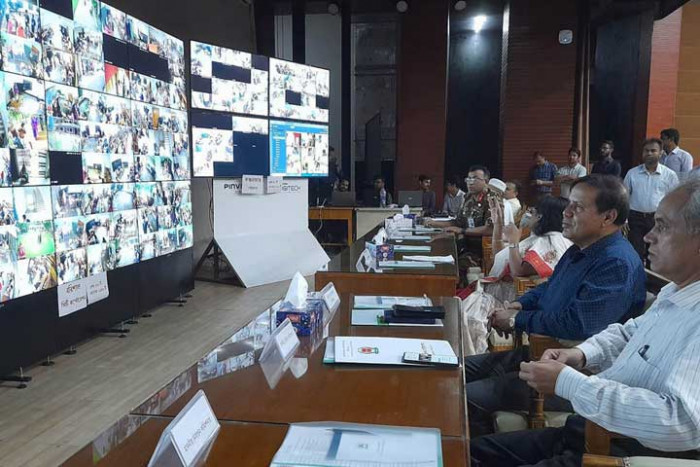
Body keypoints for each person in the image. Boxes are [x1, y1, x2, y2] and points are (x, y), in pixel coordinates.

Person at [471, 178, 700, 466]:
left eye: (663, 226)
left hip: (613, 448)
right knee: (469, 448)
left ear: (608, 217)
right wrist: (581, 354)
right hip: (587, 419)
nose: (648, 236)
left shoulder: (616, 261)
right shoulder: (674, 292)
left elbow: (680, 423)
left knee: (467, 400)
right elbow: (628, 333)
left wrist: (569, 383)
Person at [465, 174, 646, 437]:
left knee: (462, 395)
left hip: (572, 374)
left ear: (608, 217)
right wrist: (518, 305)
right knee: (458, 370)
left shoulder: (615, 263)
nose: (567, 212)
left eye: (578, 207)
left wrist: (517, 320)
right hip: (541, 353)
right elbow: (548, 287)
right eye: (568, 204)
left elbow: (578, 324)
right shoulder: (580, 249)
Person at [463, 197, 573, 353]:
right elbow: (500, 257)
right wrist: (498, 224)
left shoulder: (552, 240)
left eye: (531, 212)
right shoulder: (538, 238)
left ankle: (468, 363)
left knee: (470, 318)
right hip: (500, 293)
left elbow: (518, 271)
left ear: (541, 216)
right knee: (461, 312)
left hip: (512, 299)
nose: (526, 215)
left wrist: (514, 241)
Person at [424, 166, 503, 269]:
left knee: (456, 265)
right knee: (436, 247)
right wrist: (434, 223)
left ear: (486, 181)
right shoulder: (468, 197)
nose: (470, 182)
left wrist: (462, 230)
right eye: (468, 179)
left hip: (481, 249)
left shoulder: (492, 199)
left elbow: (491, 229)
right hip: (465, 243)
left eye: (475, 178)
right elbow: (458, 222)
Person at [624, 138, 679, 265]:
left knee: (654, 254)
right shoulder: (632, 174)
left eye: (653, 151)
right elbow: (624, 197)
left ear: (661, 153)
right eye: (646, 150)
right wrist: (624, 219)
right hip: (635, 218)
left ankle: (652, 283)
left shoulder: (669, 175)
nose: (649, 153)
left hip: (657, 220)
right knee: (634, 252)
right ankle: (636, 281)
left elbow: (675, 201)